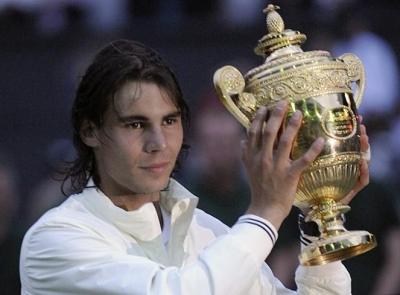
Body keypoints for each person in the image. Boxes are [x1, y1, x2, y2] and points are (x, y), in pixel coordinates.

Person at [20, 39, 369, 294]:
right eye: (136, 124)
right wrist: (265, 213)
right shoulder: (55, 241)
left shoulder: (208, 232)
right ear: (90, 131)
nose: (159, 143)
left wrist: (318, 219)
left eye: (169, 121)